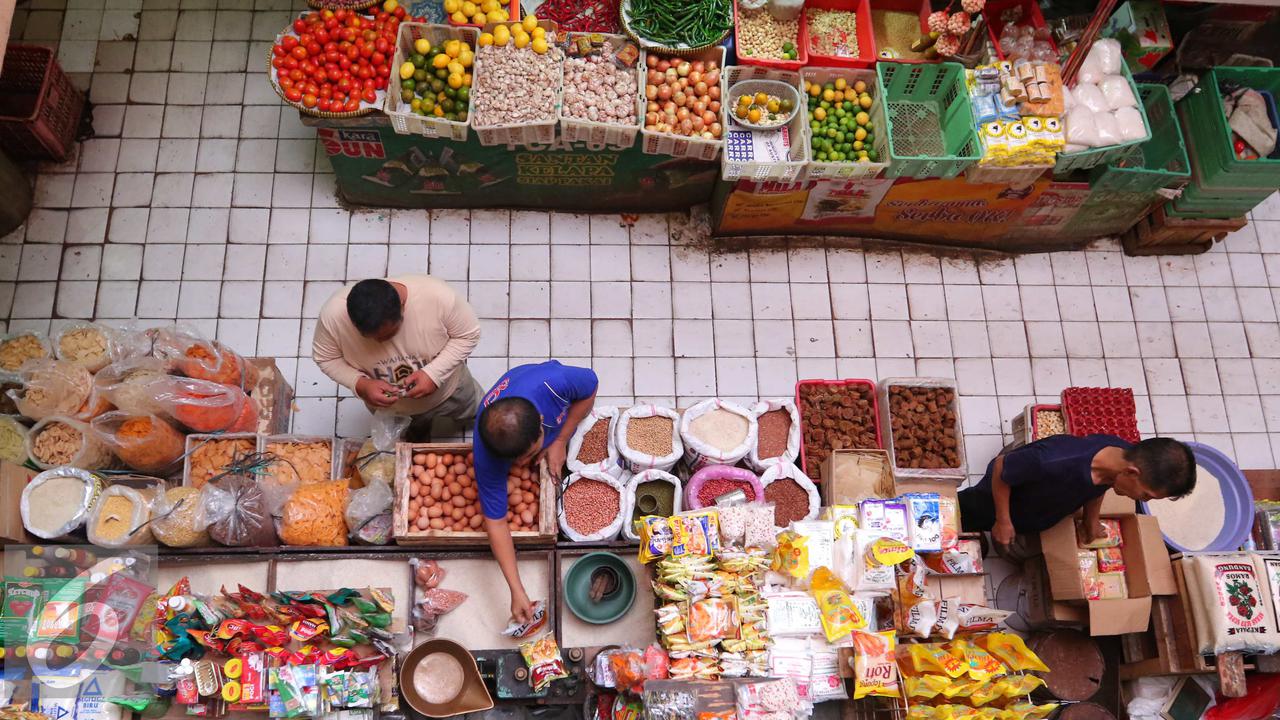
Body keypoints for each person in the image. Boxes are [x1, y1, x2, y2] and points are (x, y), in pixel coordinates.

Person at [473, 361, 598, 623]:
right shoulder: (486, 453)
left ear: (542, 422)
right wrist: (516, 590)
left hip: (531, 385)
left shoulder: (553, 382)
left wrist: (561, 439)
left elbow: (591, 386)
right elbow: (496, 523)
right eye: (515, 462)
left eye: (529, 455)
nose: (523, 465)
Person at [312, 275, 483, 434]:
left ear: (402, 307)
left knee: (477, 411)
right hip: (394, 409)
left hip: (450, 389)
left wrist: (434, 374)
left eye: (388, 335)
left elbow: (468, 334)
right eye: (370, 338)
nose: (380, 343)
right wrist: (360, 385)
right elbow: (326, 358)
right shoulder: (333, 316)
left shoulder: (438, 297)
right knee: (413, 432)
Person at [959, 435, 1197, 547]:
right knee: (964, 516)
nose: (1142, 500)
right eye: (1146, 494)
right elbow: (1002, 467)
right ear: (1132, 473)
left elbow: (1101, 484)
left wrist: (1090, 521)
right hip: (994, 500)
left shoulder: (1119, 458)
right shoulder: (1054, 461)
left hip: (1036, 510)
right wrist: (1003, 520)